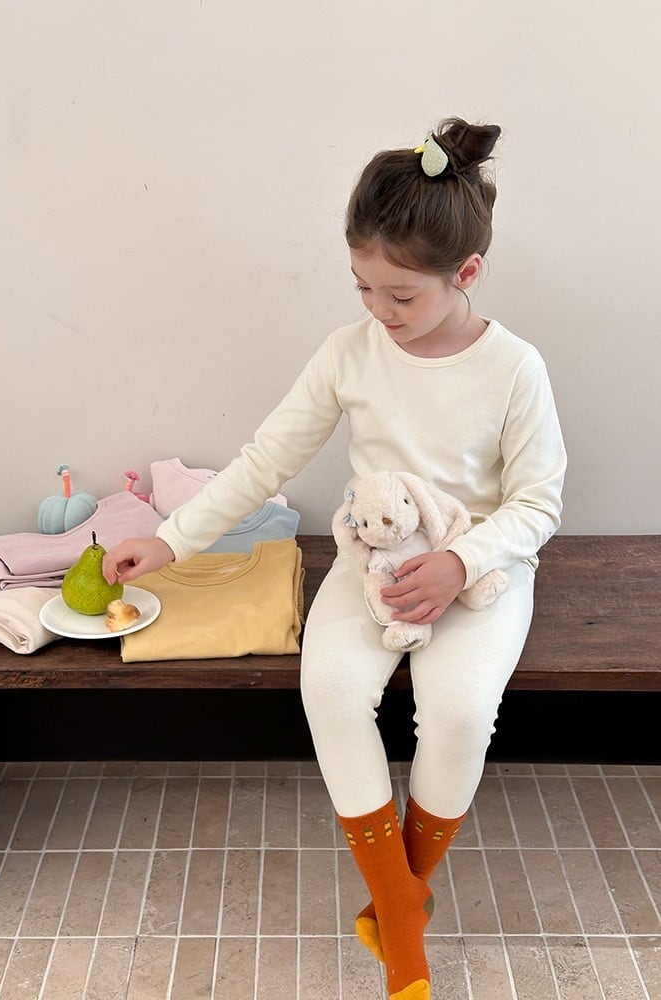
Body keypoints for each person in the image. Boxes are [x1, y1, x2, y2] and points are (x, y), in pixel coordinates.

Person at [103, 116, 566, 1000]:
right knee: (329, 689)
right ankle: (400, 910)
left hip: (480, 570)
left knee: (460, 709)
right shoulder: (348, 354)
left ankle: (398, 905)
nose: (380, 312)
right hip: (375, 564)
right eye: (363, 287)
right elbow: (264, 462)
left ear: (467, 274)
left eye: (402, 296)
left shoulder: (515, 368)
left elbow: (538, 503)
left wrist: (462, 563)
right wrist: (169, 540)